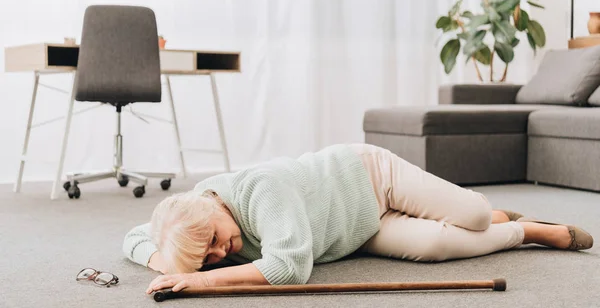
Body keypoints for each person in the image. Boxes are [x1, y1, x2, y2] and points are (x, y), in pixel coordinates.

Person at [122, 143, 593, 295]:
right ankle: (526, 230)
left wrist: (201, 283)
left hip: (370, 180)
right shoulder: (184, 222)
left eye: (217, 242)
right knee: (437, 248)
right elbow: (133, 237)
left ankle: (489, 213)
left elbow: (290, 268)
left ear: (215, 209)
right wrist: (163, 263)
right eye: (207, 260)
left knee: (469, 214)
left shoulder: (259, 191)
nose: (220, 255)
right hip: (356, 231)